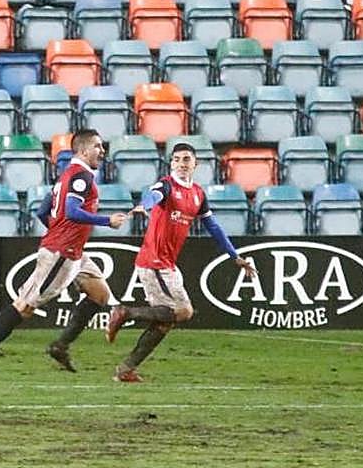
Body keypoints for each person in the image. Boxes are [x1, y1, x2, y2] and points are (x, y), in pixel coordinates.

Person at [0, 129, 130, 385]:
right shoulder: (81, 177)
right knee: (25, 306)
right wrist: (107, 220)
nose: (102, 151)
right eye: (98, 146)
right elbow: (73, 211)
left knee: (100, 295)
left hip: (74, 252)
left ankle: (60, 346)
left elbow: (42, 211)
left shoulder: (65, 177)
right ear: (83, 150)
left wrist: (58, 229)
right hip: (61, 254)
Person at [105, 142, 256, 382]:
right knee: (183, 311)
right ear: (171, 163)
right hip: (154, 261)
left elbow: (213, 227)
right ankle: (125, 312)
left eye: (186, 159)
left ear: (195, 164)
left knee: (165, 321)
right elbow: (153, 194)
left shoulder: (197, 194)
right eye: (176, 159)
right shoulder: (167, 185)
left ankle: (126, 368)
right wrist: (145, 206)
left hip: (166, 263)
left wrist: (234, 256)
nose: (181, 164)